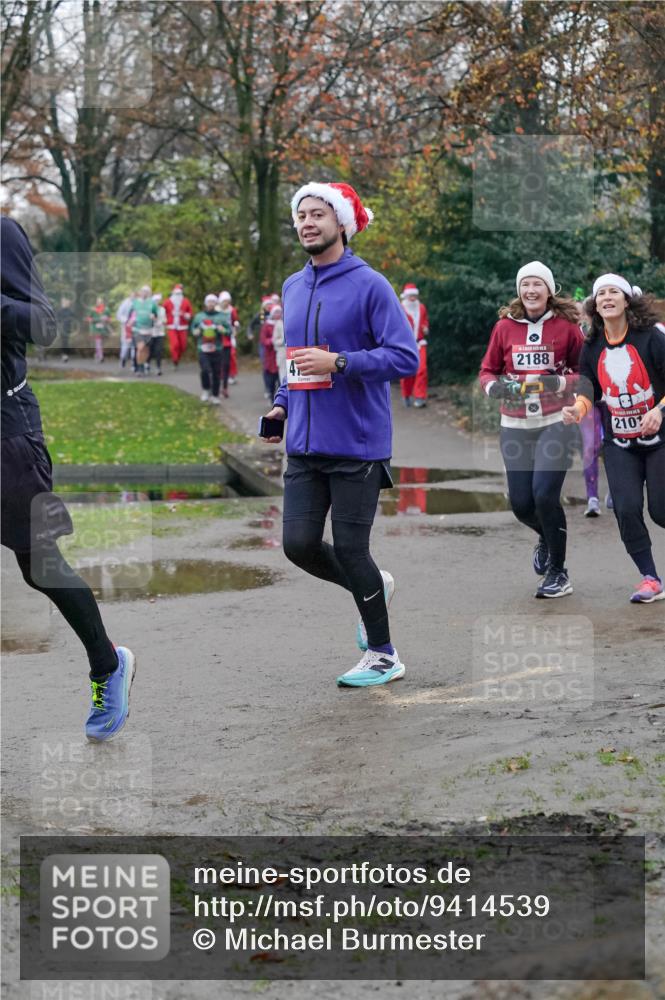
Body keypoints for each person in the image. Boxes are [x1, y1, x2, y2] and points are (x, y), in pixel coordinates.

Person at [262, 181, 419, 687]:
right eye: (301, 216)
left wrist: (341, 362)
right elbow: (294, 365)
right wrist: (282, 405)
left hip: (357, 442)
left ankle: (383, 654)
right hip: (304, 443)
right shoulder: (292, 286)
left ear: (342, 224)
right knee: (298, 545)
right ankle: (373, 585)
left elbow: (404, 357)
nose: (307, 223)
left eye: (317, 215)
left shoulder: (370, 284)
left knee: (352, 550)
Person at [0, 217, 135, 740]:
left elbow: (44, 324)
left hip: (7, 430)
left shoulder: (4, 234)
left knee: (41, 567)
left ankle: (107, 665)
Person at [479, 261, 584, 598]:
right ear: (519, 291)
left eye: (538, 284)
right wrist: (494, 389)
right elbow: (487, 371)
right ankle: (547, 535)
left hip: (556, 422)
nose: (531, 291)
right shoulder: (504, 327)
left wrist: (557, 381)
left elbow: (586, 375)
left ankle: (558, 572)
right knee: (522, 504)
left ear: (549, 290)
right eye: (525, 285)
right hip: (515, 424)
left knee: (544, 495)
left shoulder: (568, 327)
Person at [562, 274, 665, 603]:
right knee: (626, 507)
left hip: (660, 439)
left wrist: (659, 411)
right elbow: (587, 387)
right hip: (620, 444)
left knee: (661, 511)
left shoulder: (650, 338)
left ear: (625, 300)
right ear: (595, 305)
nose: (606, 297)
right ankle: (650, 578)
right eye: (600, 293)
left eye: (613, 292)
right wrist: (578, 409)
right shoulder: (592, 346)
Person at [191, 293, 230, 404]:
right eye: (209, 302)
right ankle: (206, 389)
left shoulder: (221, 317)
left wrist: (222, 329)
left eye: (213, 302)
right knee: (205, 370)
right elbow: (193, 329)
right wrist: (196, 331)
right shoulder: (199, 316)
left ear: (216, 303)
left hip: (217, 348)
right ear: (205, 303)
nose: (211, 304)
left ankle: (215, 395)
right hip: (202, 348)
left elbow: (229, 331)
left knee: (216, 372)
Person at [399, 283, 430, 408]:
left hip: (420, 343)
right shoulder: (400, 308)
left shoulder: (421, 307)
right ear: (406, 296)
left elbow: (425, 320)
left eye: (414, 296)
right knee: (406, 372)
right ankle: (406, 395)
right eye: (410, 296)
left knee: (421, 370)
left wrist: (425, 327)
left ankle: (420, 397)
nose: (412, 298)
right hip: (405, 345)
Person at [129, 285, 157, 375]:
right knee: (140, 348)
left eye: (146, 291)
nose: (144, 293)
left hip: (148, 330)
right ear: (140, 292)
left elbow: (155, 315)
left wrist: (153, 317)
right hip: (138, 329)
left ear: (149, 293)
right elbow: (131, 314)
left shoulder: (152, 303)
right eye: (143, 291)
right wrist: (131, 320)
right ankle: (139, 368)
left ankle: (143, 364)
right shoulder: (135, 302)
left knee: (146, 350)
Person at [163, 284, 193, 367]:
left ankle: (178, 358)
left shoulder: (186, 301)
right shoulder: (168, 302)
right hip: (171, 326)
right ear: (173, 293)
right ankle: (175, 359)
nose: (178, 296)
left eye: (179, 294)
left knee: (183, 345)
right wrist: (165, 319)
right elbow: (161, 311)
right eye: (176, 294)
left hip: (182, 326)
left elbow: (190, 313)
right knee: (175, 344)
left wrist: (184, 314)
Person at [218, 291, 240, 384]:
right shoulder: (216, 310)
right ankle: (221, 375)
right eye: (224, 301)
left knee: (231, 356)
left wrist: (236, 328)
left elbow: (235, 322)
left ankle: (232, 375)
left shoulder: (232, 310)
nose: (226, 303)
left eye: (227, 301)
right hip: (218, 337)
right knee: (219, 357)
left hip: (229, 336)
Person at [259, 307, 279, 400]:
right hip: (270, 355)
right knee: (271, 378)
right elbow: (263, 340)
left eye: (280, 312)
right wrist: (272, 341)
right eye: (276, 312)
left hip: (280, 355)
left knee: (280, 379)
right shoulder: (267, 325)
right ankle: (271, 396)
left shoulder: (283, 323)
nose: (278, 314)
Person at [86, 296, 112, 363]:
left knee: (101, 343)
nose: (99, 303)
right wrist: (94, 320)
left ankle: (97, 354)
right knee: (98, 342)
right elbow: (88, 318)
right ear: (96, 302)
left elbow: (110, 318)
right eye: (98, 302)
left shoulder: (106, 309)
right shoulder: (93, 309)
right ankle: (101, 356)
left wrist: (107, 319)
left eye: (100, 302)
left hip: (104, 329)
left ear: (102, 302)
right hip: (95, 329)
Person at [148, 292, 167, 375]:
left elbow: (165, 319)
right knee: (150, 350)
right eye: (155, 300)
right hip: (151, 333)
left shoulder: (162, 309)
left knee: (158, 351)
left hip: (160, 332)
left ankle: (158, 367)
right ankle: (147, 364)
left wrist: (163, 321)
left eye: (158, 300)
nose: (157, 302)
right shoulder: (149, 309)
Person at [56, 296, 75, 362]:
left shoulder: (70, 311)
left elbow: (73, 318)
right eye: (63, 303)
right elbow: (57, 319)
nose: (65, 304)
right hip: (61, 329)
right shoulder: (59, 311)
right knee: (63, 342)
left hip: (67, 329)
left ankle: (65, 354)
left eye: (66, 303)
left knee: (66, 342)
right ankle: (64, 355)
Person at [270, 303, 287, 382]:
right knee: (283, 374)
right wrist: (283, 341)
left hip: (291, 352)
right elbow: (274, 340)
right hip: (281, 351)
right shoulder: (278, 324)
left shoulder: (288, 321)